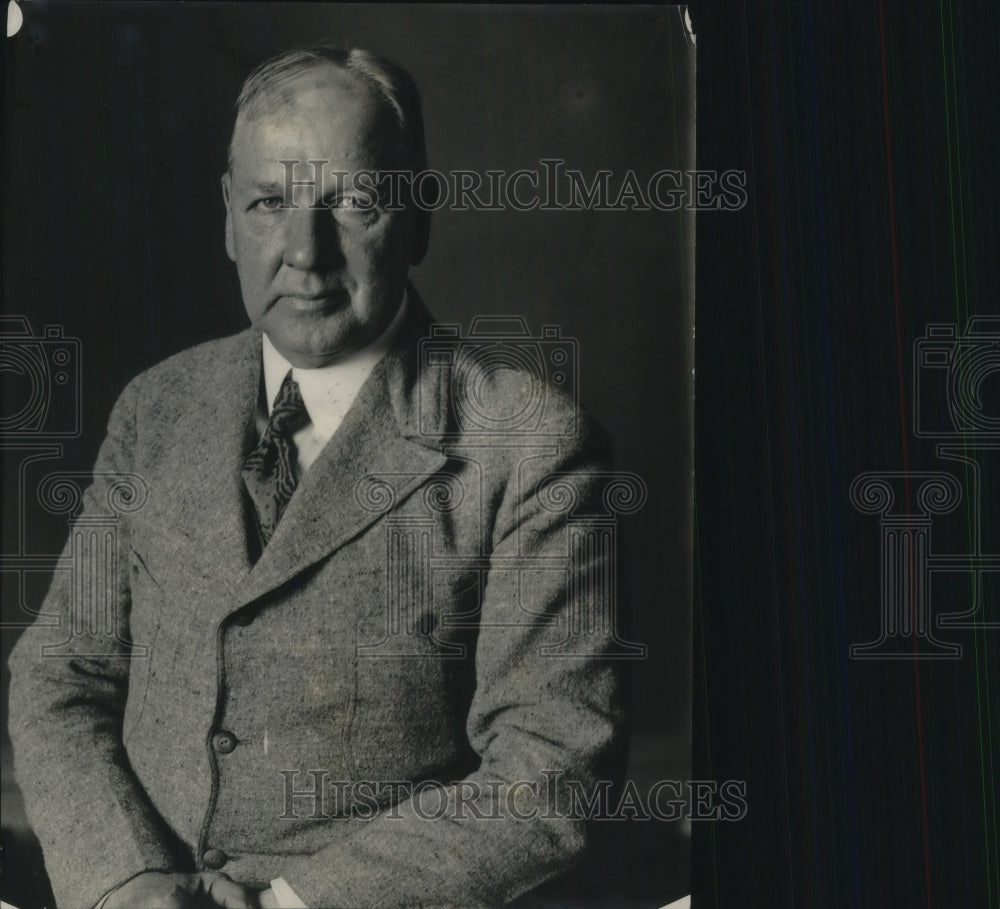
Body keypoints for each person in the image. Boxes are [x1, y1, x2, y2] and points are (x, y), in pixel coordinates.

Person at [8, 46, 627, 909]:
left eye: (353, 203)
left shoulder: (532, 445)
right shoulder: (158, 405)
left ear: (419, 219)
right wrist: (124, 880)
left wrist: (289, 904)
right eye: (270, 203)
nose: (305, 251)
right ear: (228, 217)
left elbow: (553, 774)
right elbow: (59, 672)